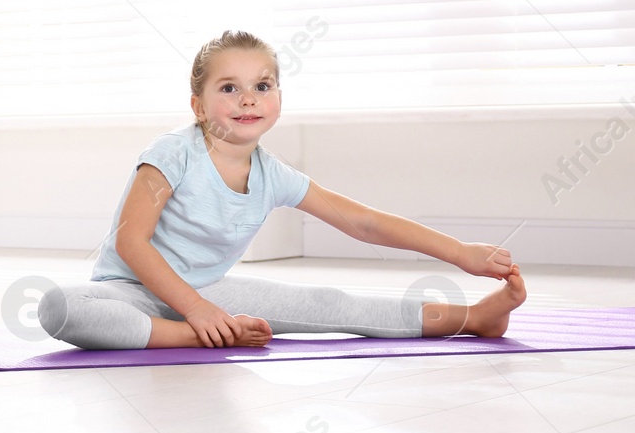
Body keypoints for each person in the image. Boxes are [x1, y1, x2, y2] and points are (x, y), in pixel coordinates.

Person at [38, 29, 526, 351]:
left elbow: (364, 223)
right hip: (133, 295)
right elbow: (131, 242)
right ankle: (194, 337)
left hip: (212, 292)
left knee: (331, 303)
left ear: (277, 99)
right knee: (60, 308)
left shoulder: (273, 175)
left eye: (263, 85)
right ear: (198, 105)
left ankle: (474, 318)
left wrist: (461, 253)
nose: (248, 97)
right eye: (228, 88)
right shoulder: (172, 153)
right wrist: (199, 314)